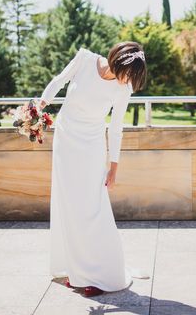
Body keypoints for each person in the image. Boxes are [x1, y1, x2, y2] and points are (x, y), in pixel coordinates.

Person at [38, 41, 148, 297]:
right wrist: (39, 106)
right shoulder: (85, 59)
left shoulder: (124, 89)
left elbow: (116, 128)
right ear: (118, 62)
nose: (128, 81)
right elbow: (58, 81)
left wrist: (114, 167)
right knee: (68, 204)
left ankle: (101, 274)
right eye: (128, 74)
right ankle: (76, 271)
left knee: (91, 207)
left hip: (92, 147)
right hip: (65, 139)